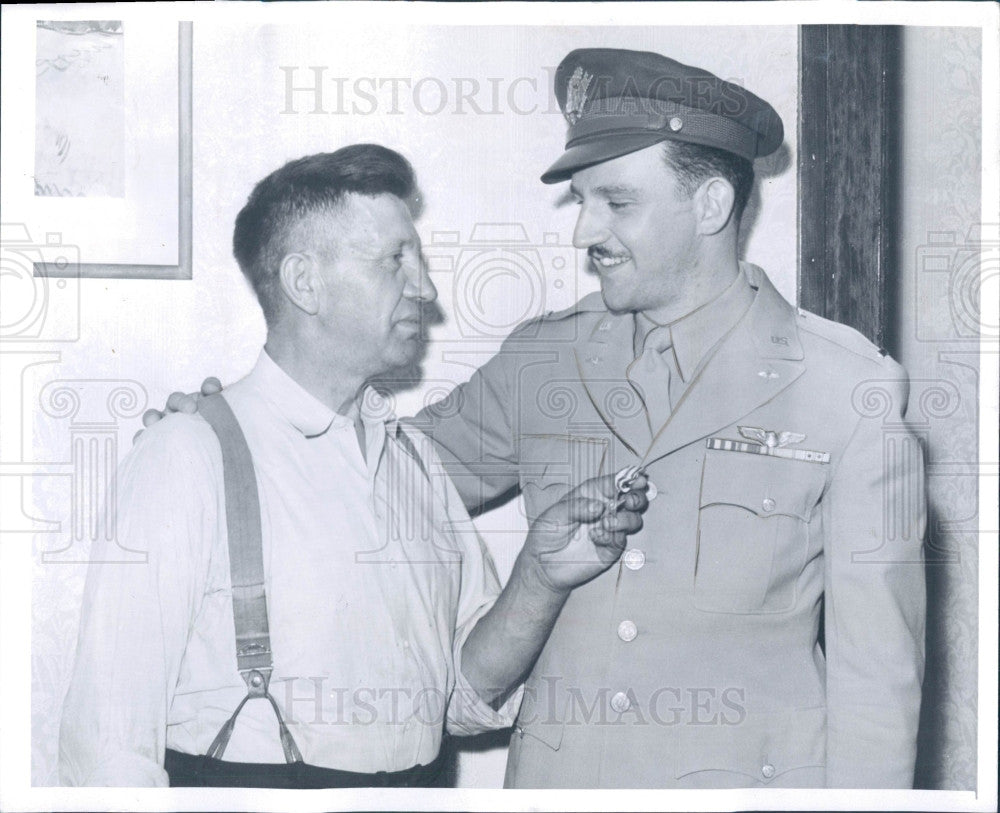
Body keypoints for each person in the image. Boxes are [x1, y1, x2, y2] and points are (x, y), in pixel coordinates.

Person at [150, 49, 927, 789]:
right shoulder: (545, 361)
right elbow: (369, 475)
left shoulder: (848, 392)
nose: (584, 231)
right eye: (582, 201)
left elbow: (876, 690)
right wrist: (238, 436)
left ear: (712, 204)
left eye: (616, 201)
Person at [59, 145, 648, 788]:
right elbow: (107, 753)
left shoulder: (414, 461)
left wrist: (540, 574)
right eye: (396, 259)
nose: (425, 288)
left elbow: (463, 700)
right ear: (304, 281)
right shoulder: (186, 456)